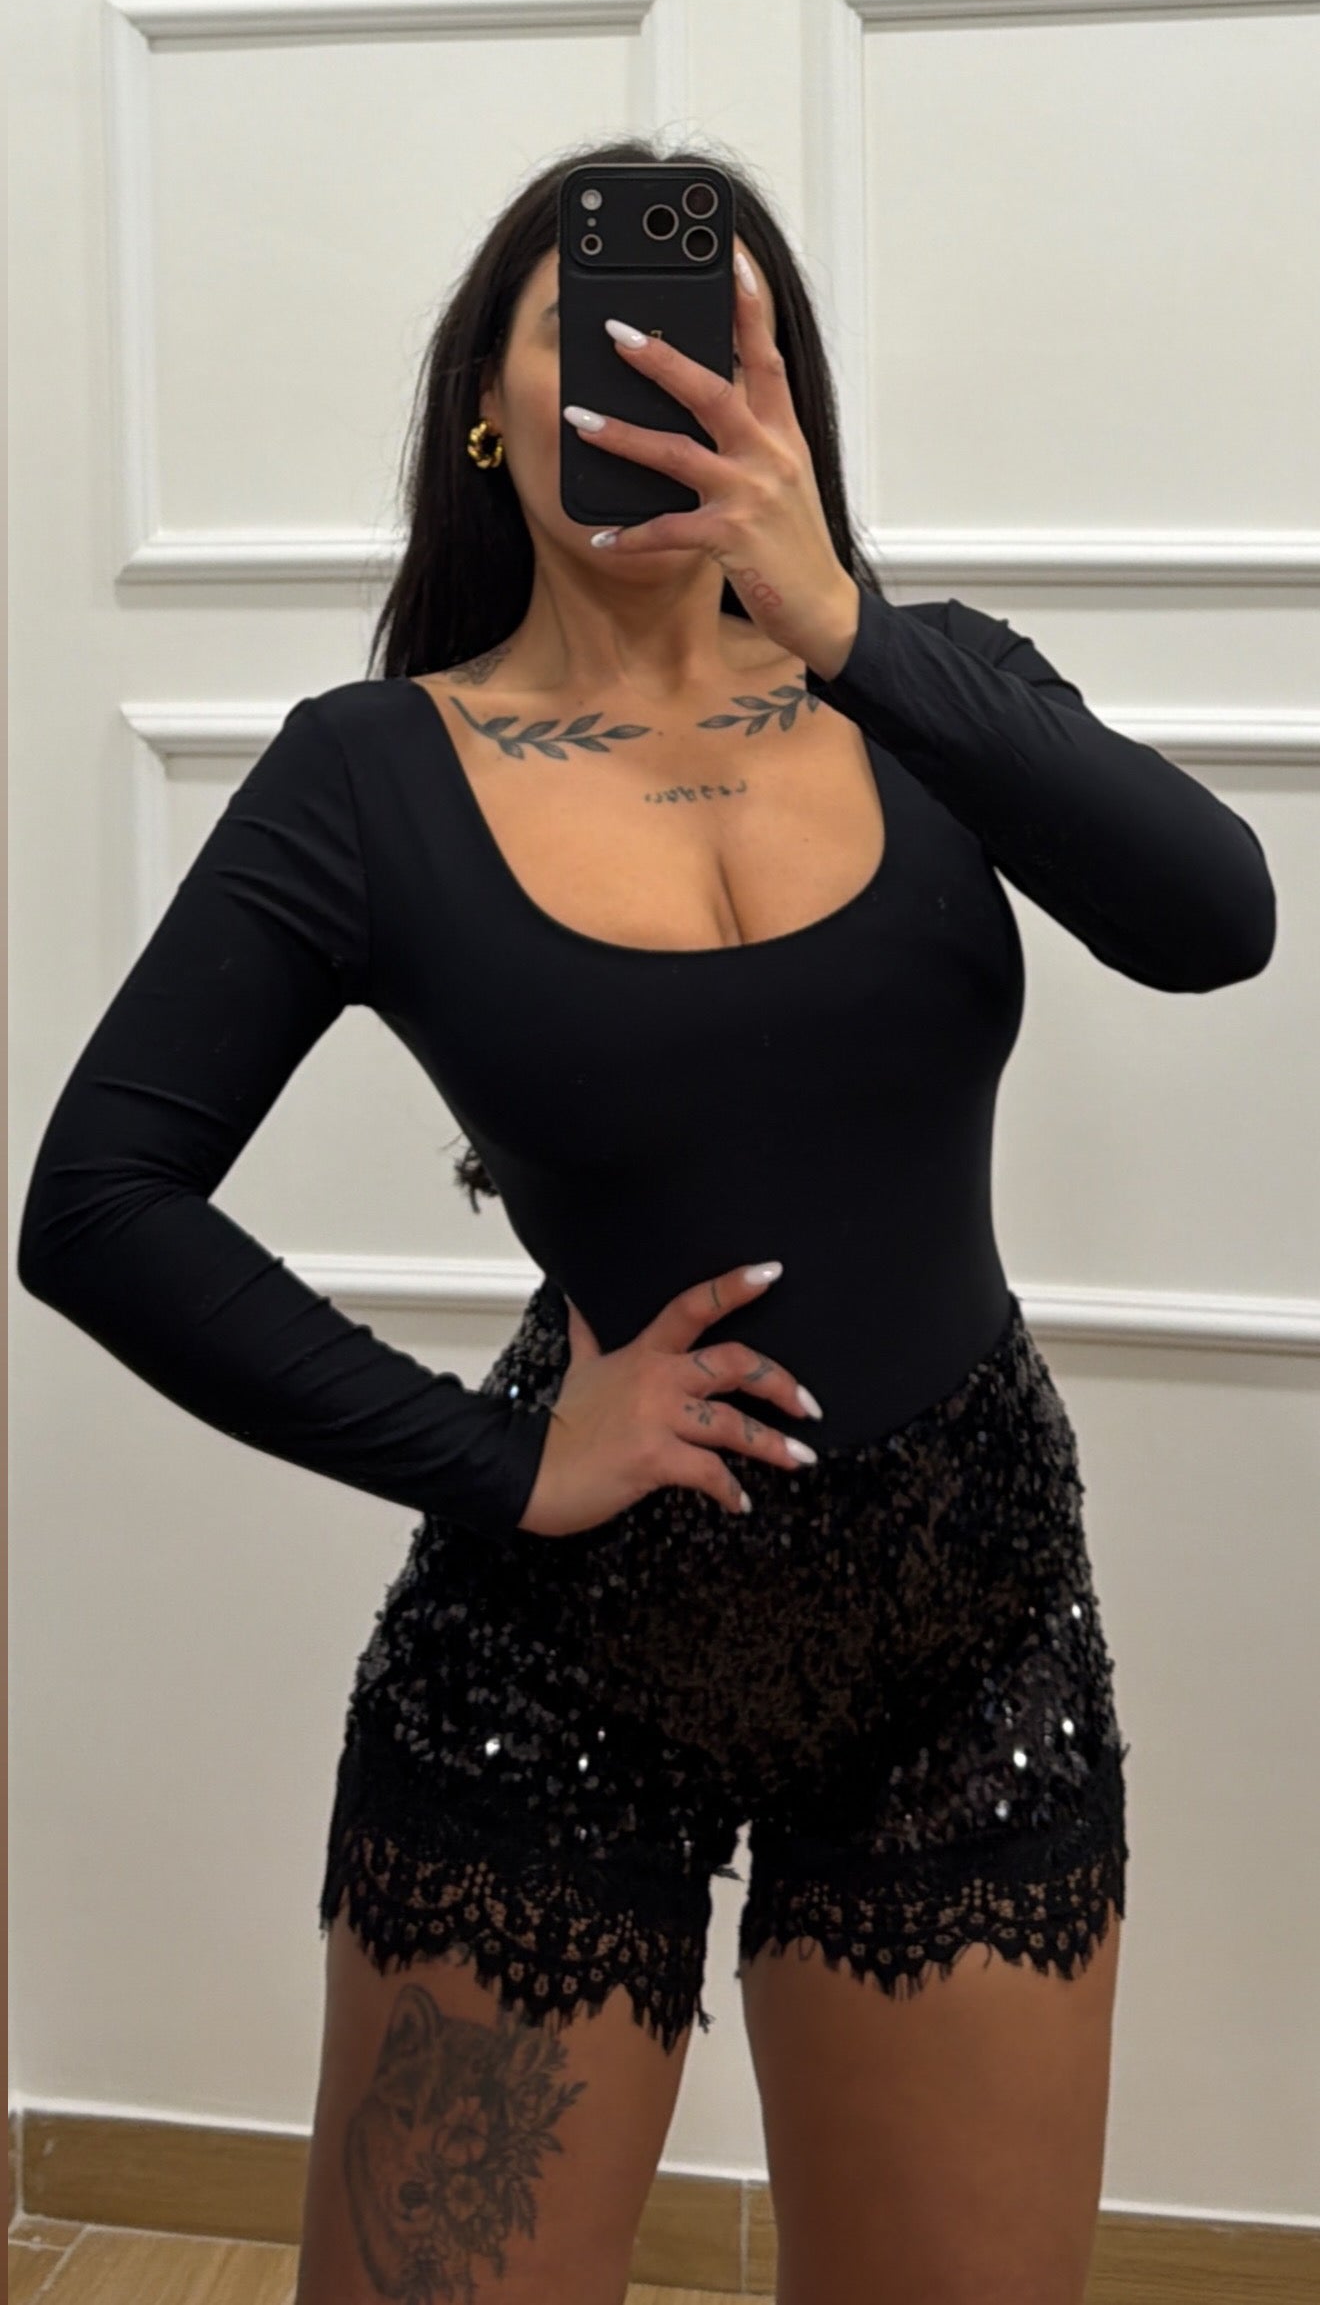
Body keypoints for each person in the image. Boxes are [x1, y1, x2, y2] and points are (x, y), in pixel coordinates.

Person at [17, 140, 1276, 2305]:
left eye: (706, 336)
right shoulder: (371, 771)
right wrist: (504, 1457)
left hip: (966, 1629)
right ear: (485, 410)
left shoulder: (928, 686)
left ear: (781, 400)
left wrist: (844, 621)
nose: (648, 372)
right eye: (583, 332)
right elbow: (97, 1201)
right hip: (561, 1648)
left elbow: (1217, 917)